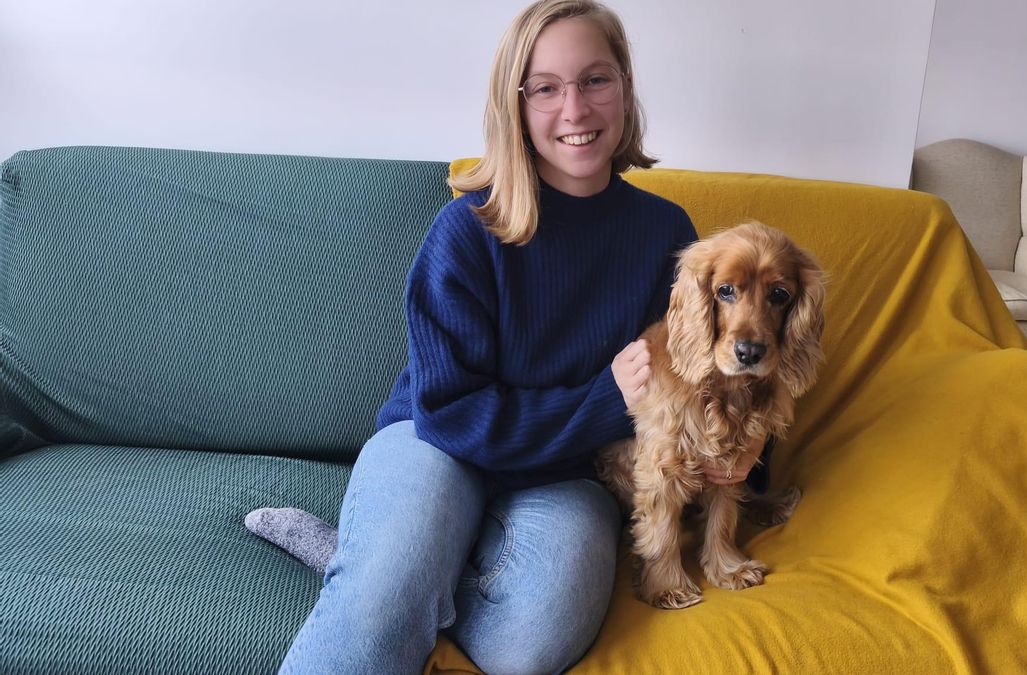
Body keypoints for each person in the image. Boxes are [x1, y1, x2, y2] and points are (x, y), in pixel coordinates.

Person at [246, 1, 768, 672]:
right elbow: (451, 410)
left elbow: (708, 368)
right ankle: (383, 572)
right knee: (377, 604)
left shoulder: (667, 234)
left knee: (530, 642)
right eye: (545, 88)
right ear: (513, 106)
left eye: (595, 80)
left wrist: (748, 449)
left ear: (626, 89)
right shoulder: (467, 231)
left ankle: (393, 567)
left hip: (572, 469)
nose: (574, 109)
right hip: (436, 442)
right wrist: (606, 397)